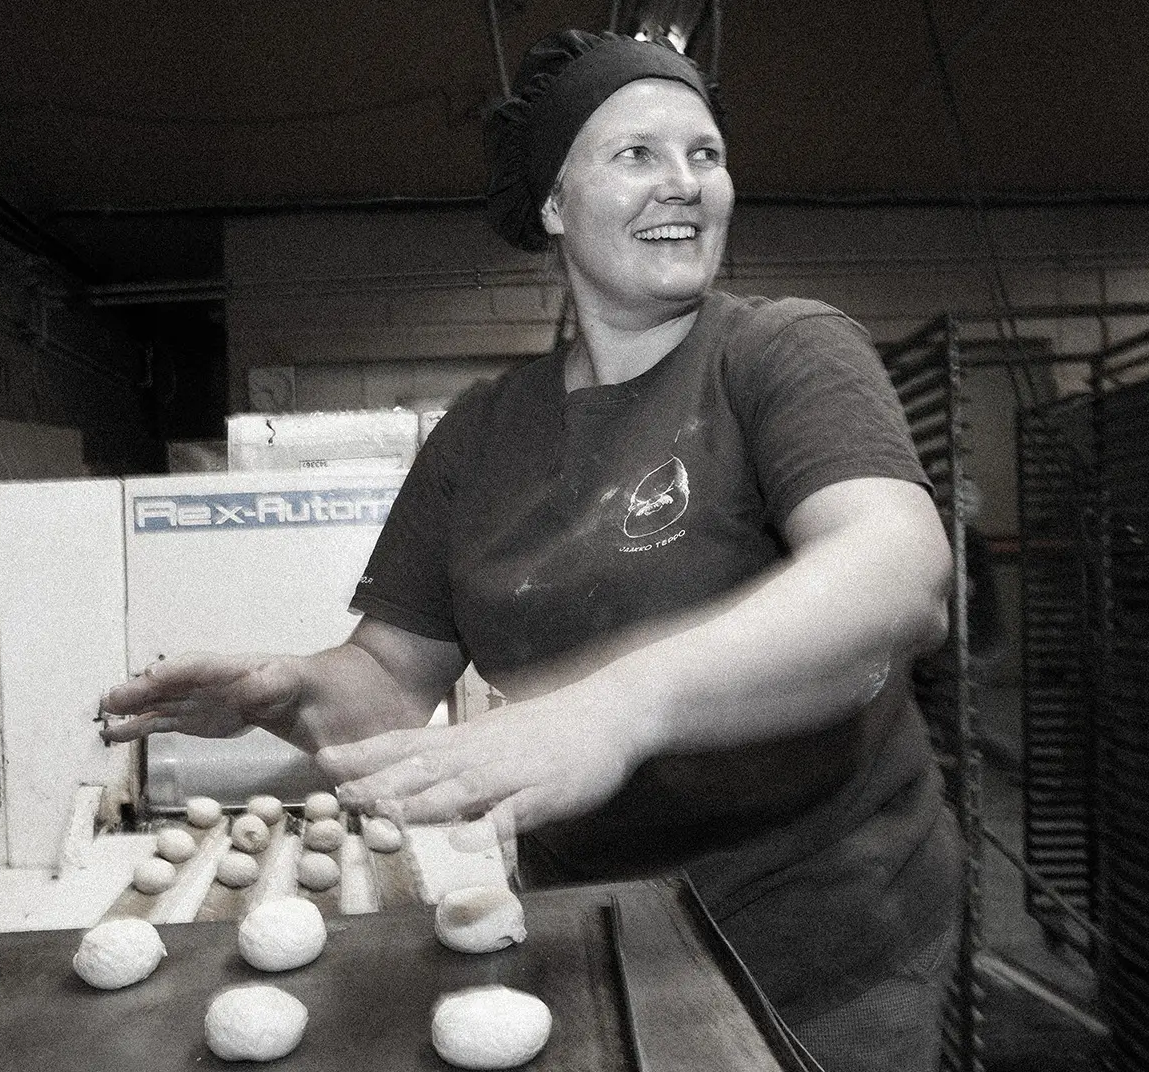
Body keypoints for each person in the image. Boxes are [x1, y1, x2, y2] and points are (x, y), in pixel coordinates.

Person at [101, 29, 962, 1072]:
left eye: (705, 153)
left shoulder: (780, 351)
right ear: (556, 206)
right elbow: (387, 678)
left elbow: (898, 570)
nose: (684, 182)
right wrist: (285, 687)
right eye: (637, 155)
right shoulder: (481, 435)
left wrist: (619, 706)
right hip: (589, 928)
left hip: (822, 936)